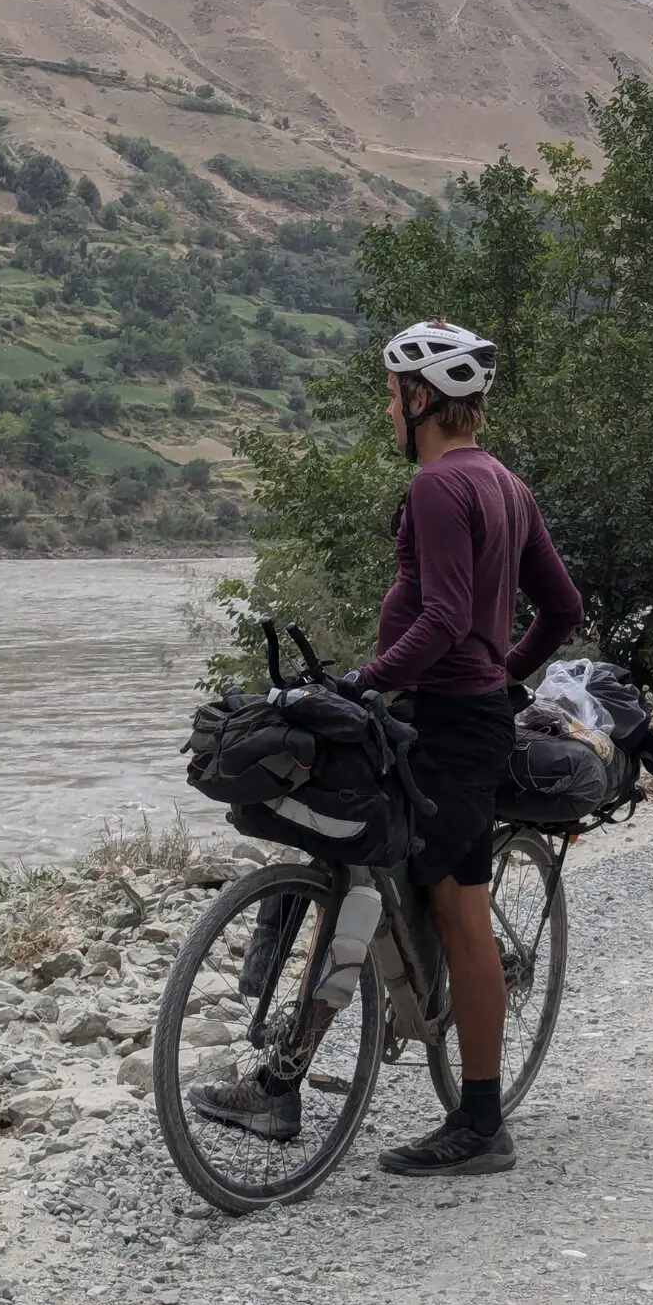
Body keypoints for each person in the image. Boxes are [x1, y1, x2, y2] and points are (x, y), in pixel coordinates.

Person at [193, 321, 584, 1177]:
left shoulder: (442, 488)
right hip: (451, 716)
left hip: (442, 725)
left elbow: (443, 617)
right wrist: (502, 676)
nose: (384, 410)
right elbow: (562, 608)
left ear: (419, 399)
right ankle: (283, 1082)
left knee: (457, 910)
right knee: (354, 873)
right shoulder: (505, 484)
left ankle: (479, 1124)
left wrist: (364, 682)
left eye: (389, 395)